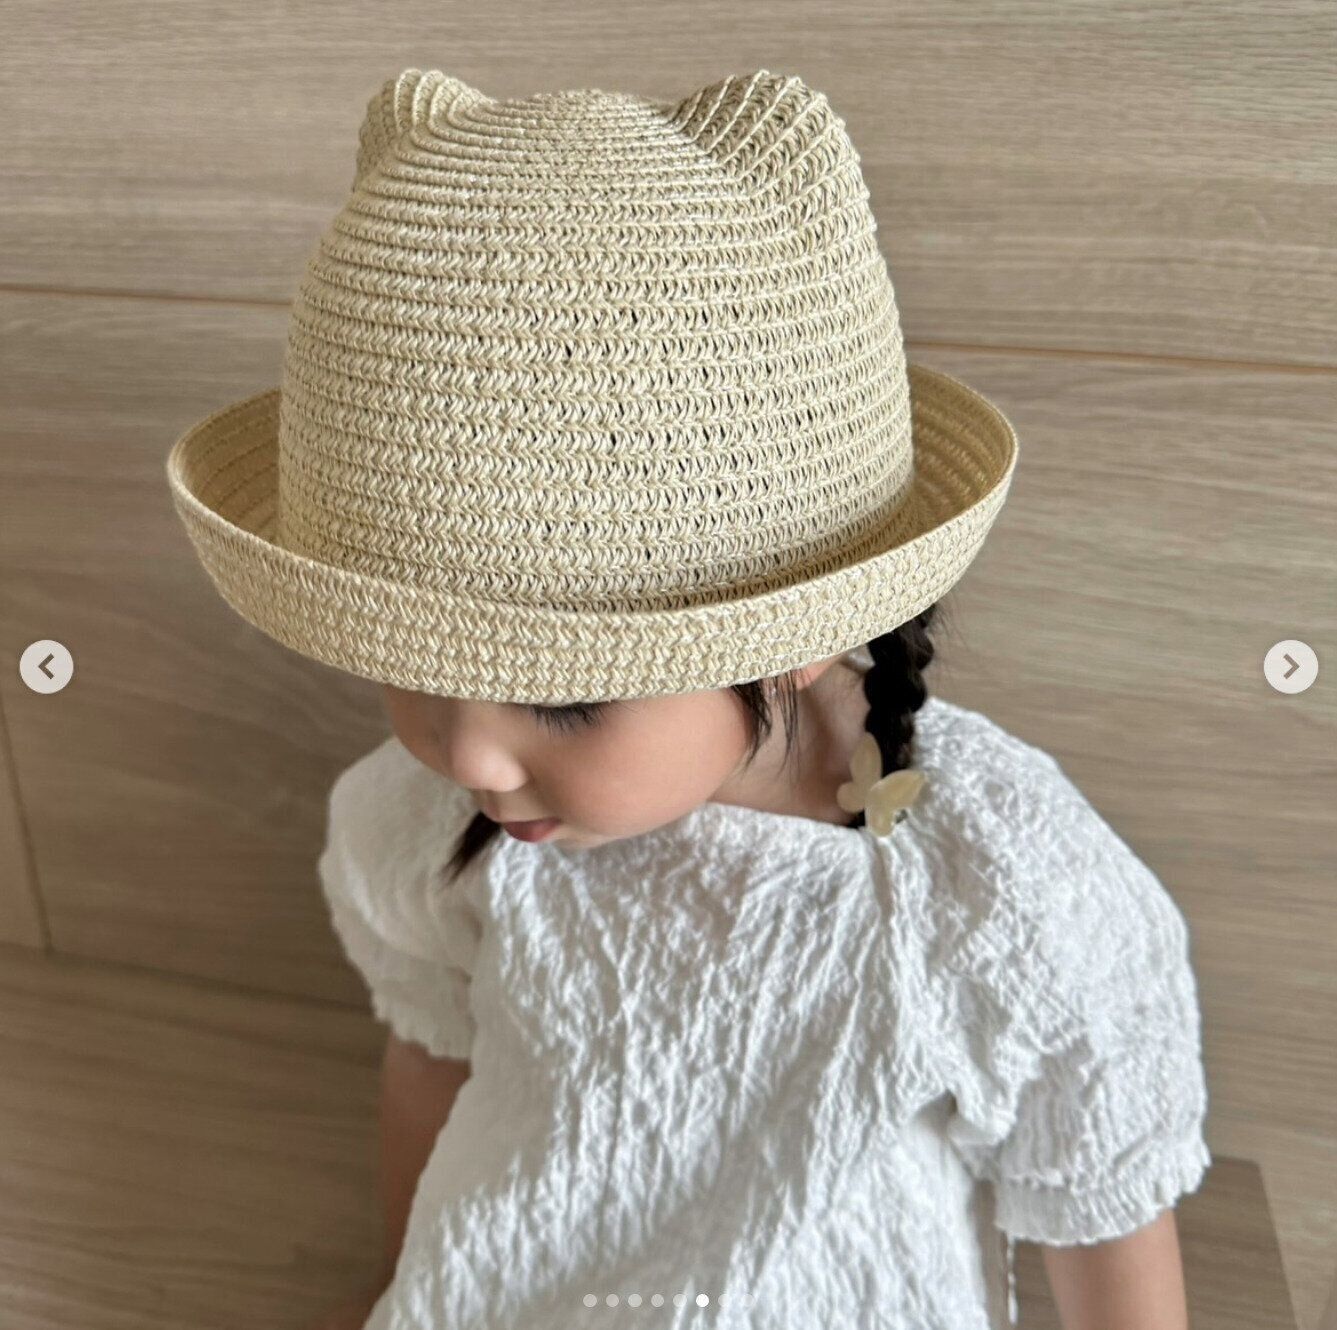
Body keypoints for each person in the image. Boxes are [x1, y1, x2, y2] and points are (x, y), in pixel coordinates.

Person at [165, 65, 1211, 1330]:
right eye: (415, 664)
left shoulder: (992, 887)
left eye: (563, 699)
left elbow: (1102, 1211)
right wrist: (401, 1286)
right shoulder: (432, 821)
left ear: (789, 642)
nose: (468, 755)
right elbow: (433, 1061)